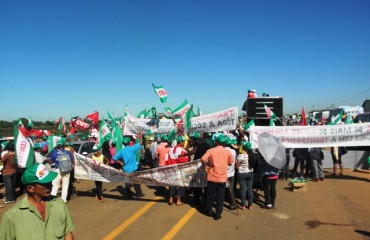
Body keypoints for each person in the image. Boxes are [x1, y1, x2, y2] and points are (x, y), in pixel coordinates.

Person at [0, 163, 75, 239]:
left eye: (50, 181)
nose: (51, 185)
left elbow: (67, 233)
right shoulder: (11, 217)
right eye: (45, 183)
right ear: (30, 188)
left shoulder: (58, 204)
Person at [201, 134, 233, 220]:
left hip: (212, 176)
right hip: (222, 178)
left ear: (216, 142)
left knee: (210, 195)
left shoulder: (211, 150)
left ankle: (209, 211)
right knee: (220, 196)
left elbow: (203, 159)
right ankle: (218, 213)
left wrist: (206, 166)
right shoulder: (227, 152)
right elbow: (230, 163)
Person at [113, 132, 145, 199]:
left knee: (127, 182)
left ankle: (129, 195)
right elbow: (141, 143)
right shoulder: (132, 148)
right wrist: (141, 136)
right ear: (128, 142)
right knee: (136, 182)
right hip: (133, 168)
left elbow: (114, 158)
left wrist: (120, 162)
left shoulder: (121, 151)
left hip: (126, 169)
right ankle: (139, 193)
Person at [167, 135, 189, 206]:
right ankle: (178, 201)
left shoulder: (170, 149)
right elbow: (185, 161)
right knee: (180, 185)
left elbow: (167, 159)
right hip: (180, 170)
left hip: (171, 169)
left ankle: (171, 198)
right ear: (181, 142)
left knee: (172, 184)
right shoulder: (182, 150)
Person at [236, 141, 255, 210]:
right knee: (250, 189)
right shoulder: (252, 155)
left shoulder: (240, 156)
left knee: (243, 189)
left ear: (243, 148)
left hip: (241, 174)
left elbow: (237, 166)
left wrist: (240, 168)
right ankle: (250, 205)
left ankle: (243, 205)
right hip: (249, 173)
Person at [224, 137, 237, 210]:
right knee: (231, 189)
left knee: (221, 188)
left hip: (224, 172)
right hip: (231, 172)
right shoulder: (233, 151)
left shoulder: (223, 151)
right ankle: (232, 204)